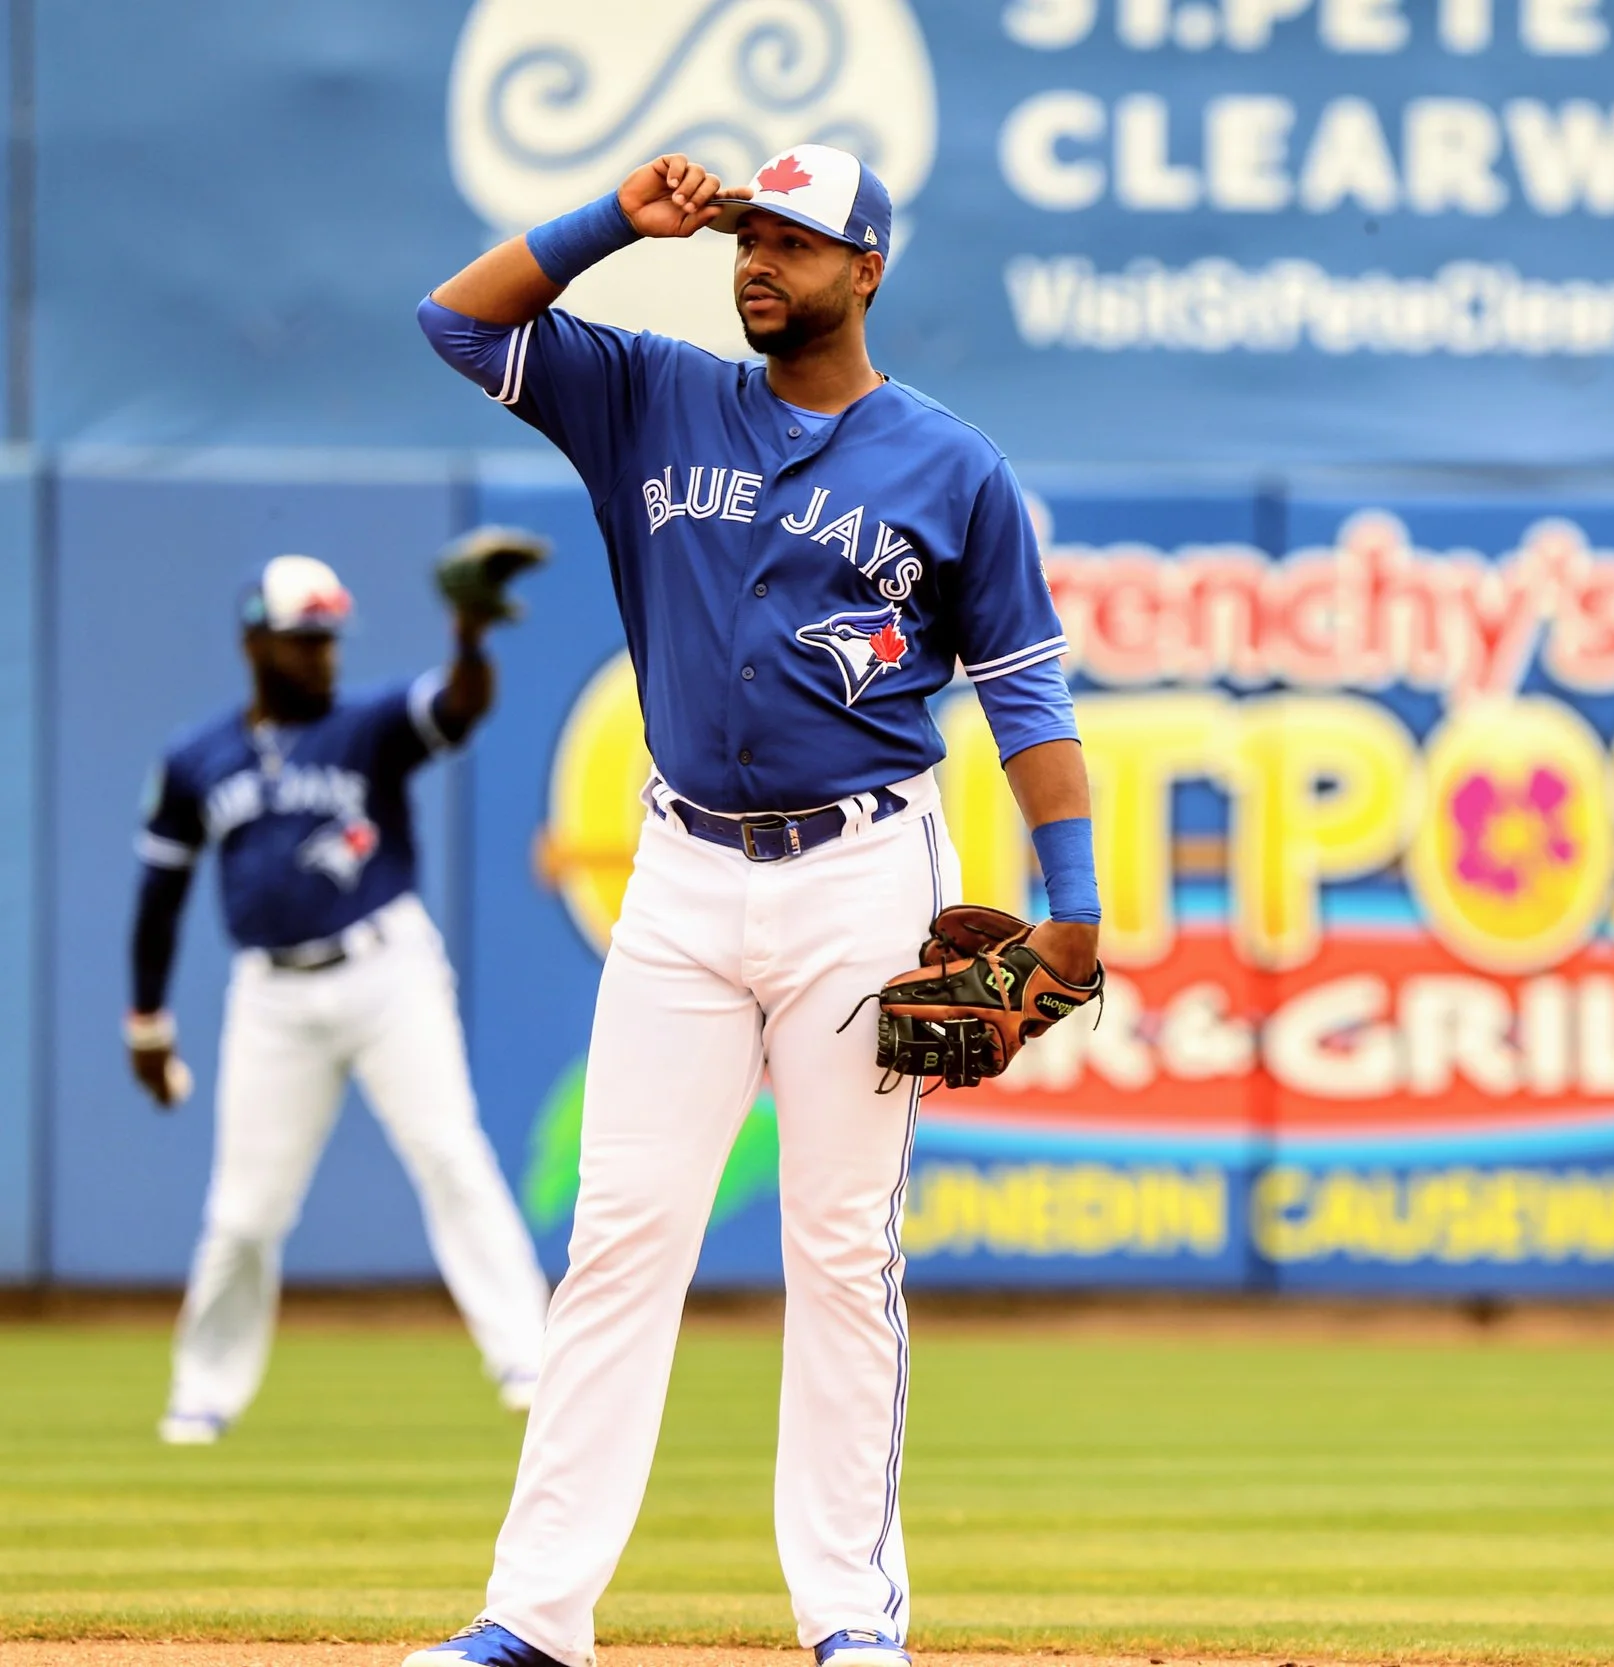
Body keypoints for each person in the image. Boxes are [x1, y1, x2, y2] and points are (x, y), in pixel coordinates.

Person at [406, 145, 1101, 1667]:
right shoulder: (649, 394)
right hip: (681, 875)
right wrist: (617, 221)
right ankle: (535, 1613)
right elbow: (457, 321)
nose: (757, 263)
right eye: (748, 238)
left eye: (794, 242)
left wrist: (1078, 907)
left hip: (865, 873)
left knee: (842, 1249)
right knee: (620, 1237)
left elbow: (1025, 693)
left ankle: (851, 1615)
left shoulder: (952, 466)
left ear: (867, 269)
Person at [129, 552, 551, 1445]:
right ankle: (204, 1389)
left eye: (327, 639)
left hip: (386, 969)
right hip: (271, 994)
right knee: (244, 1212)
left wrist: (470, 636)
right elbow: (160, 893)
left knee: (449, 1152)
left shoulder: (367, 725)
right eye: (302, 639)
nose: (321, 655)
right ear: (255, 643)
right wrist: (148, 1022)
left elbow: (459, 706)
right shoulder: (197, 758)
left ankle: (530, 1357)